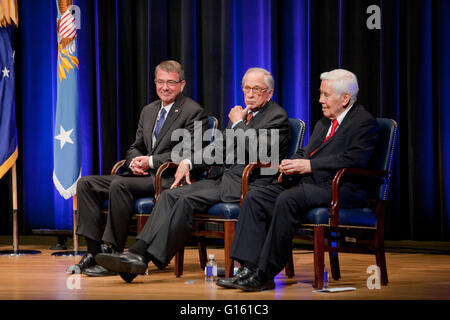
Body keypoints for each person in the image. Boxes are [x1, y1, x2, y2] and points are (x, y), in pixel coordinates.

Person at [94, 67, 290, 283]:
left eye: (256, 89)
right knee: (171, 194)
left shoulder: (277, 117)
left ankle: (142, 258)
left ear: (269, 93)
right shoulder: (245, 115)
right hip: (223, 179)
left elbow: (258, 151)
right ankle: (137, 252)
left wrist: (237, 123)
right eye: (246, 88)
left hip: (249, 184)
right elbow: (220, 148)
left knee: (186, 200)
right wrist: (188, 161)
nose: (250, 94)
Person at [216, 69, 380, 291]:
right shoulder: (325, 122)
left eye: (326, 95)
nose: (320, 100)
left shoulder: (364, 122)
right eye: (320, 94)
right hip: (311, 183)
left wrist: (309, 165)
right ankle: (247, 267)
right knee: (257, 195)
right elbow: (307, 152)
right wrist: (291, 162)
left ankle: (264, 274)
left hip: (341, 187)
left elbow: (354, 159)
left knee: (288, 199)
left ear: (345, 98)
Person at [67, 60, 209, 276]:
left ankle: (113, 253)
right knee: (86, 183)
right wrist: (135, 160)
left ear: (182, 84)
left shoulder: (193, 111)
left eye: (171, 82)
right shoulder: (149, 110)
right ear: (155, 83)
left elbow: (189, 153)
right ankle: (93, 252)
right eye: (160, 82)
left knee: (120, 184)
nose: (165, 87)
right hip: (142, 176)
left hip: (168, 178)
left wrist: (150, 161)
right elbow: (136, 146)